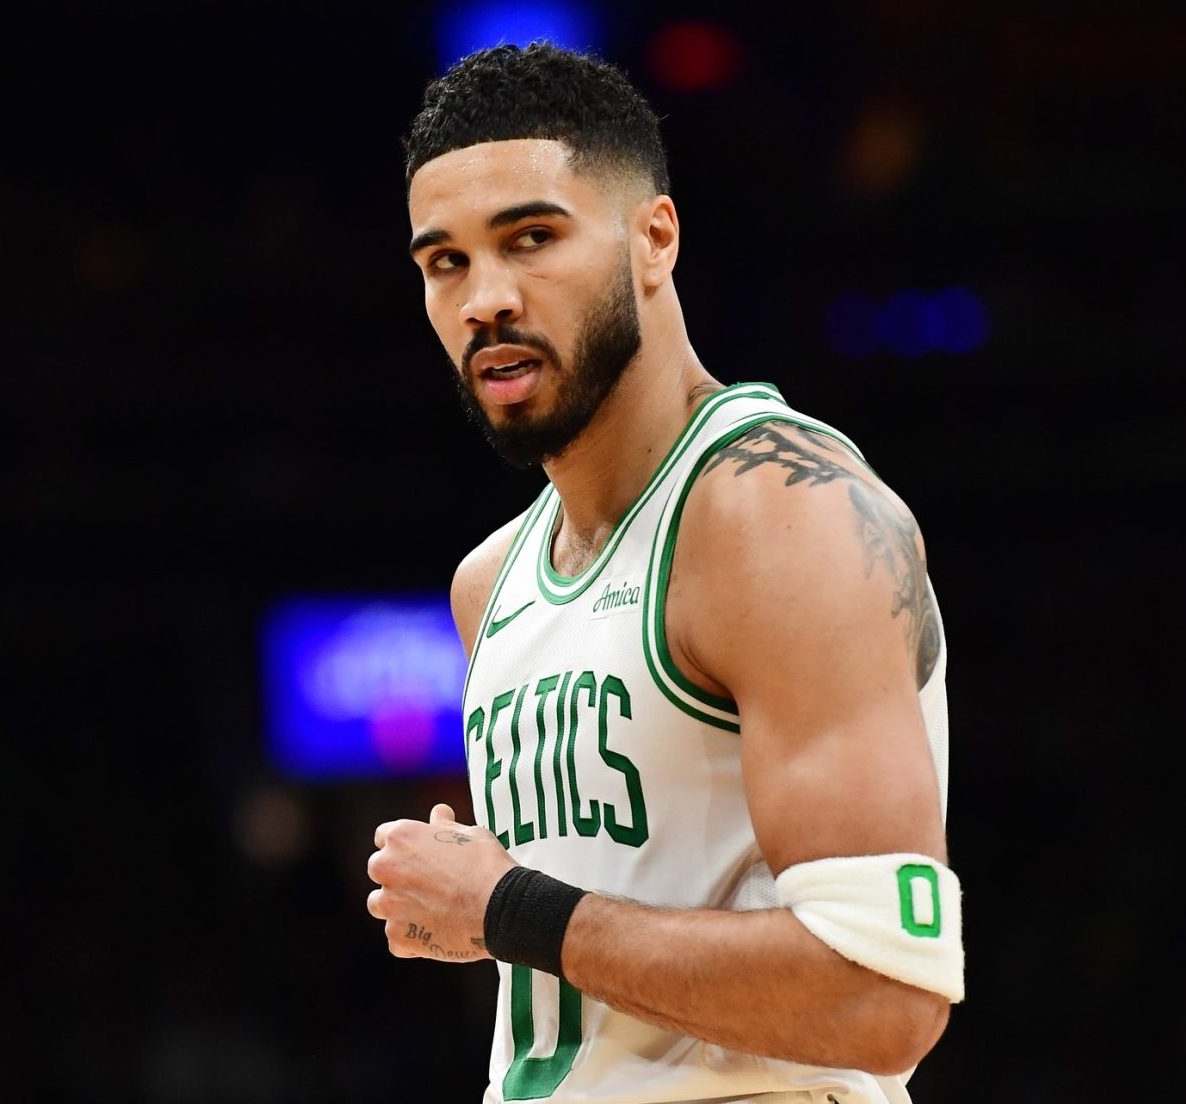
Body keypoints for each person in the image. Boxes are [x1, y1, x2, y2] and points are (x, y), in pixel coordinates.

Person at [364, 42, 962, 1104]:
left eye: (532, 239)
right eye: (444, 262)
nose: (484, 299)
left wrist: (507, 911)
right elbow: (603, 925)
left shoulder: (781, 516)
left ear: (654, 237)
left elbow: (885, 1000)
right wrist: (484, 916)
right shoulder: (489, 583)